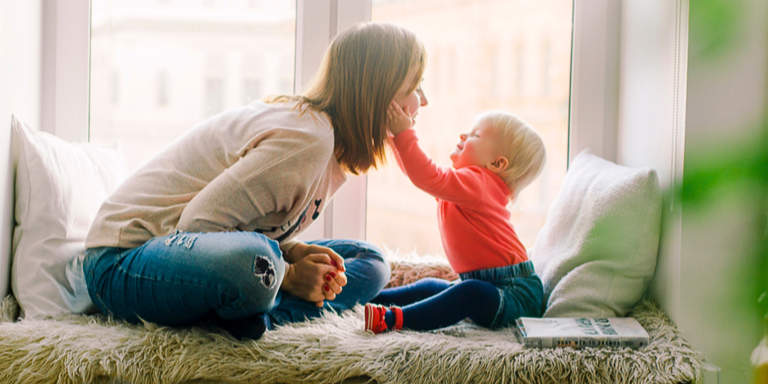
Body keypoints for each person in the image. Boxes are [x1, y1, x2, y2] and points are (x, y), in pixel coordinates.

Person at [81, 22, 428, 340]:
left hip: (195, 254)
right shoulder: (308, 139)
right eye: (413, 87)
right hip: (122, 261)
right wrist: (290, 274)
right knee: (256, 263)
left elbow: (240, 228)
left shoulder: (331, 149)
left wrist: (293, 253)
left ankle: (253, 314)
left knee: (370, 261)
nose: (422, 100)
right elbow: (197, 225)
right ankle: (258, 307)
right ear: (378, 94)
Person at [364, 103, 547, 333]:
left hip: (515, 294)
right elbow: (420, 175)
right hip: (490, 285)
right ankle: (369, 300)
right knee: (433, 287)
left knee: (468, 293)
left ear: (497, 164)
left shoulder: (479, 184)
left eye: (475, 135)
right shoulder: (466, 187)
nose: (463, 135)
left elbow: (426, 175)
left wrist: (403, 134)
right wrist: (393, 139)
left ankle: (394, 319)